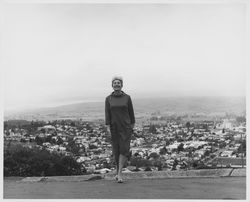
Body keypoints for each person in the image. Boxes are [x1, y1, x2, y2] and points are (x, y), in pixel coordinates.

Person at [105, 76, 135, 183]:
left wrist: (131, 126)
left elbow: (131, 113)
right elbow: (107, 114)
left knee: (124, 149)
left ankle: (119, 174)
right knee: (116, 150)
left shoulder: (127, 97)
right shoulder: (108, 99)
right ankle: (118, 172)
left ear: (121, 85)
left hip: (125, 127)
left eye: (118, 83)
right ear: (112, 85)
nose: (116, 84)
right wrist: (108, 127)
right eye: (115, 83)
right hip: (114, 127)